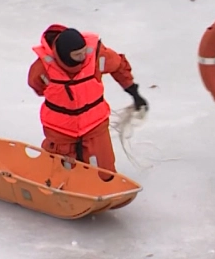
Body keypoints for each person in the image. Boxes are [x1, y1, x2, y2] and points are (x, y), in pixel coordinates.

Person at [28, 24, 147, 173]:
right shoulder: (43, 69)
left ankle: (105, 189)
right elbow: (36, 85)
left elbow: (118, 65)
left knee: (103, 172)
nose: (83, 57)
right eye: (77, 55)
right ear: (64, 55)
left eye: (84, 52)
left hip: (95, 126)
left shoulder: (96, 57)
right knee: (60, 171)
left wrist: (133, 91)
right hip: (60, 131)